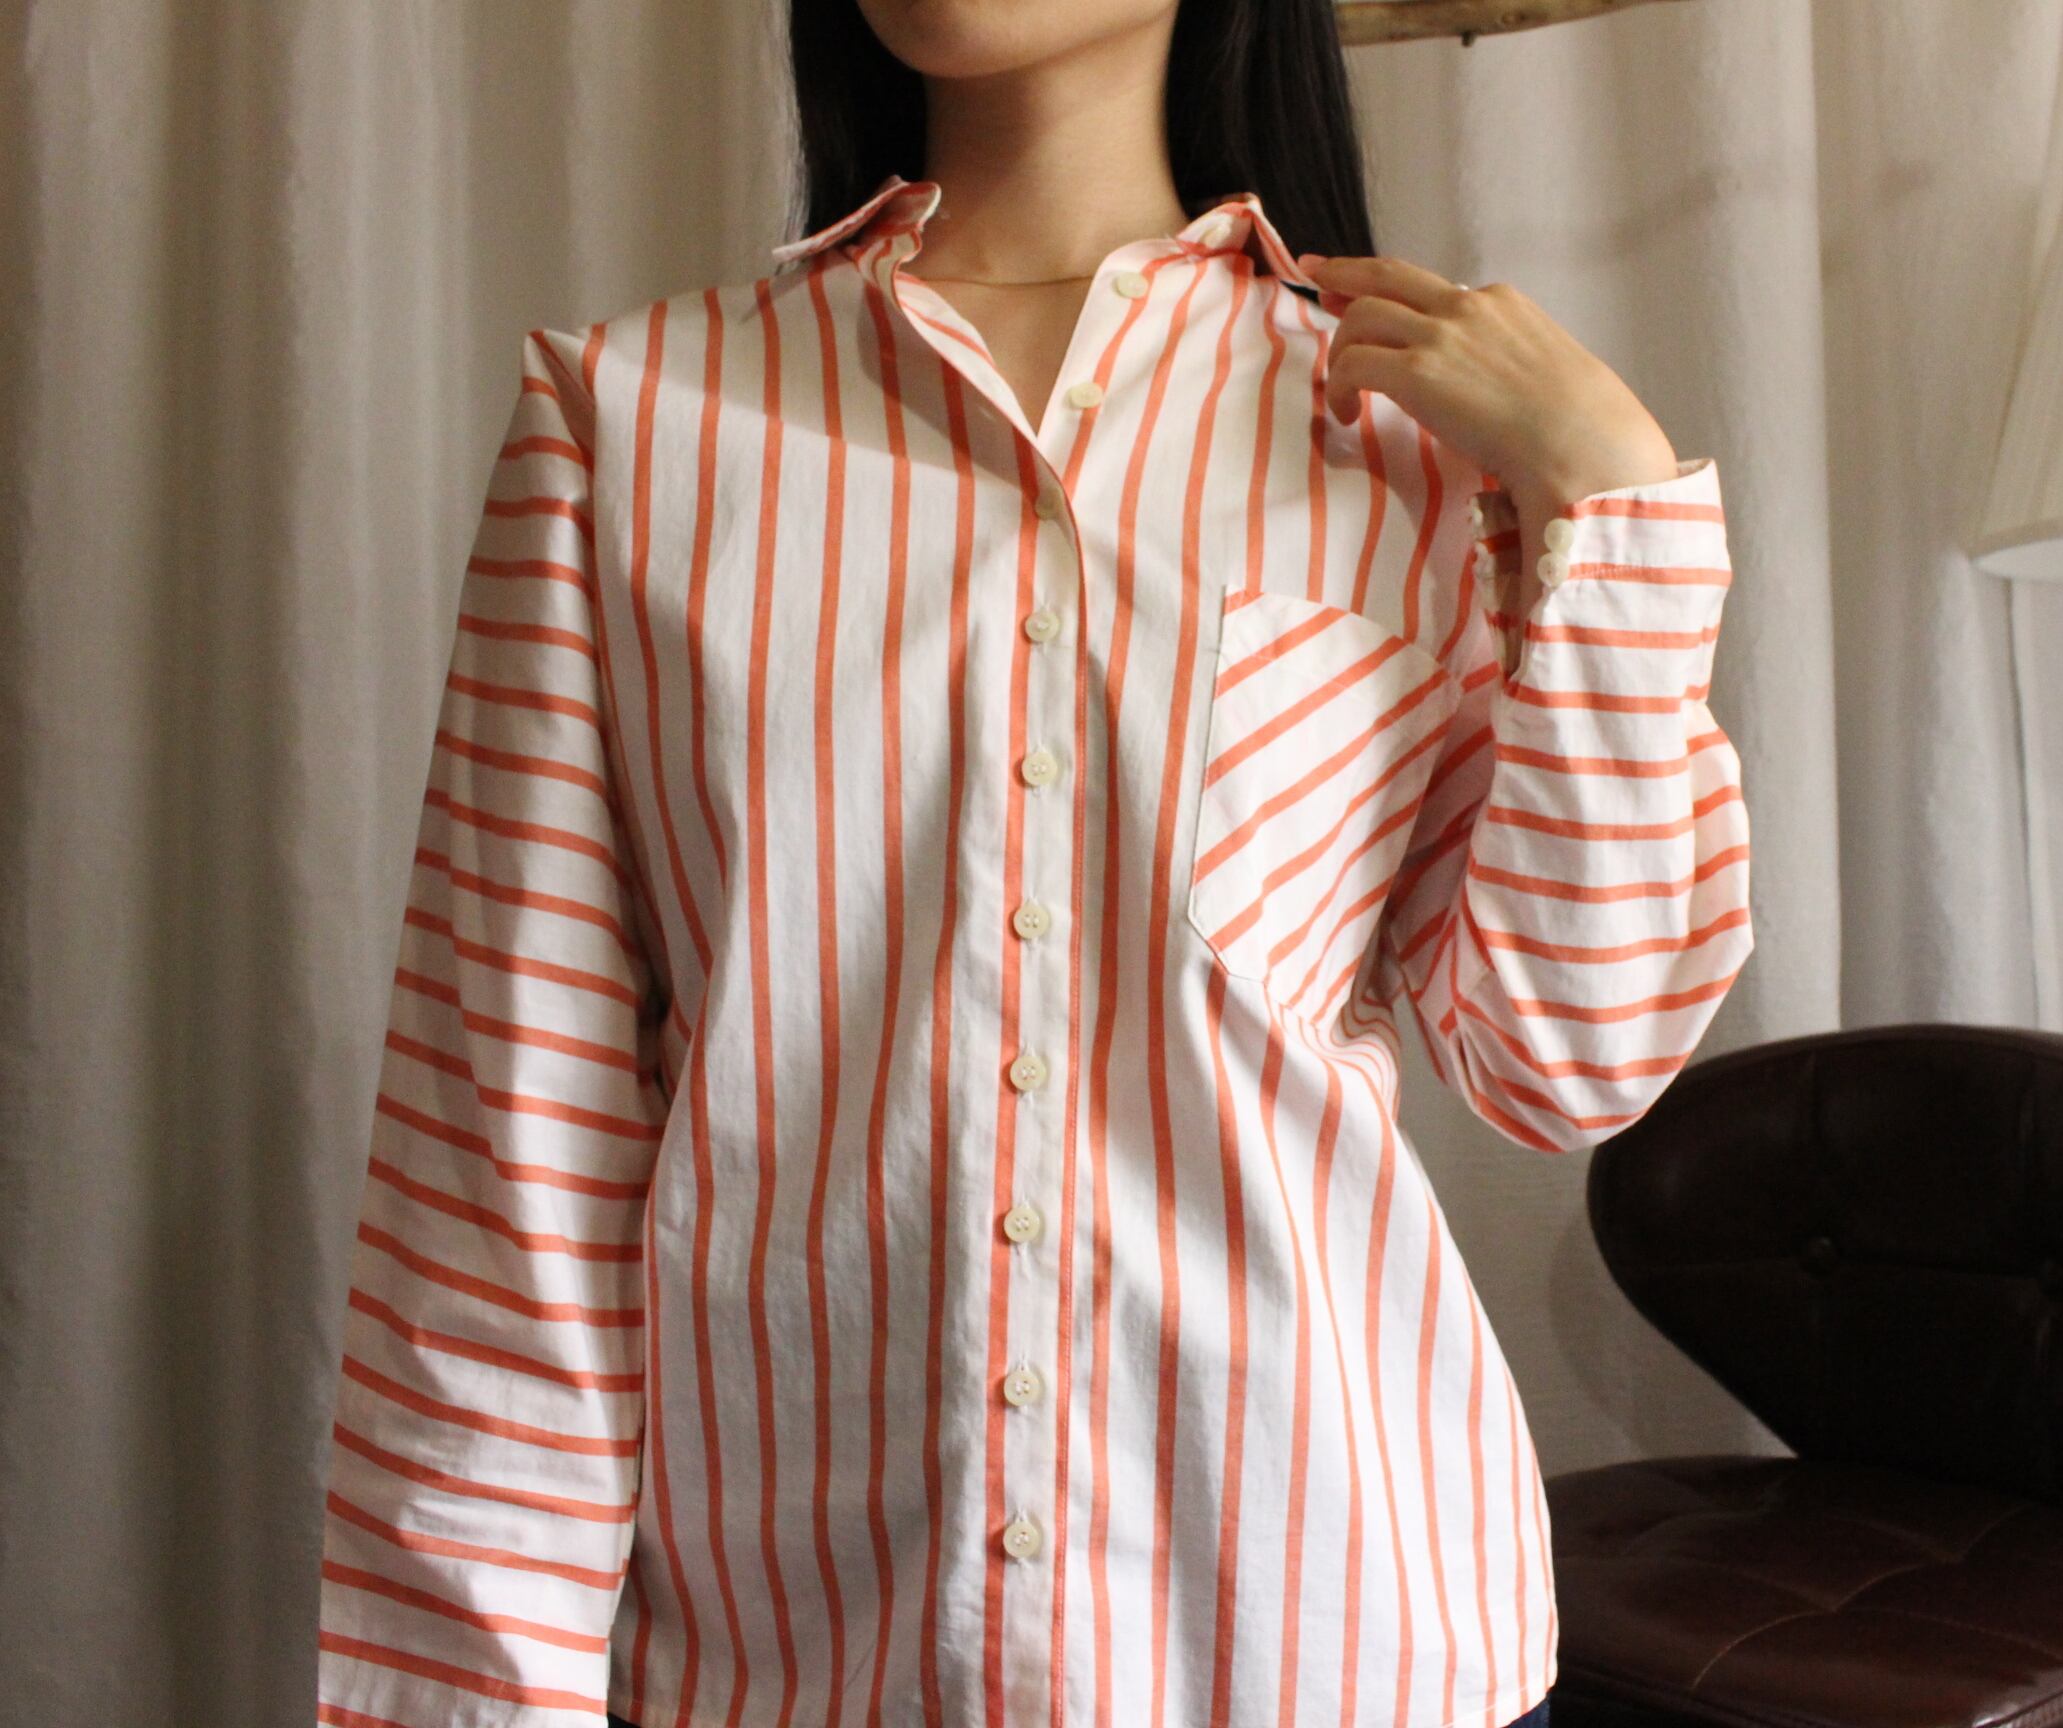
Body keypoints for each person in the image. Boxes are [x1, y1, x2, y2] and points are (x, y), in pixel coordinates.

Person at [311, 0, 1753, 1722]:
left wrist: (1616, 497)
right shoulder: (631, 420)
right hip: (801, 1671)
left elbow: (1567, 1059)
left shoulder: (1408, 440)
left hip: (1334, 1643)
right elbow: (500, 1189)